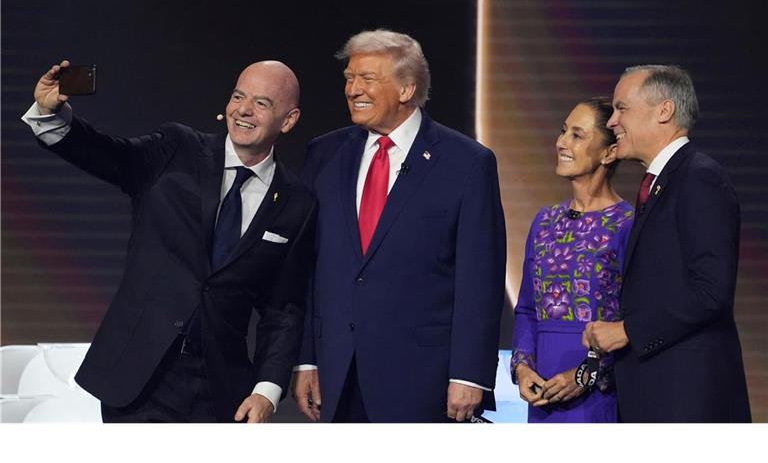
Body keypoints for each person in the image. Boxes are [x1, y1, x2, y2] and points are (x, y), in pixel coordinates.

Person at [21, 59, 317, 423]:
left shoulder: (295, 202)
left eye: (261, 103)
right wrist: (52, 116)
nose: (243, 109)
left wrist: (267, 390)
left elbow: (282, 308)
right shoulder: (178, 149)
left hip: (220, 389)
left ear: (288, 120)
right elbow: (106, 154)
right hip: (137, 379)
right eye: (238, 96)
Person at [291, 29, 506, 422]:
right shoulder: (324, 155)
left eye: (367, 79)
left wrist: (470, 374)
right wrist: (305, 359)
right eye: (349, 78)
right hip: (336, 371)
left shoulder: (466, 163)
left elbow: (480, 278)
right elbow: (307, 266)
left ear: (406, 89)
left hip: (422, 378)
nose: (352, 89)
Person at [582, 65, 751, 422]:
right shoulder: (662, 183)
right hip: (658, 392)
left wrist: (627, 330)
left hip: (687, 398)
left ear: (664, 111)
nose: (612, 122)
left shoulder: (699, 178)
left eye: (621, 108)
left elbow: (710, 291)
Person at [510, 98, 633, 423]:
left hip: (600, 395)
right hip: (543, 391)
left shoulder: (627, 225)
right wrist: (522, 367)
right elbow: (526, 309)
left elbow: (636, 321)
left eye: (577, 135)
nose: (561, 142)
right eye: (563, 131)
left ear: (609, 153)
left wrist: (586, 374)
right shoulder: (545, 220)